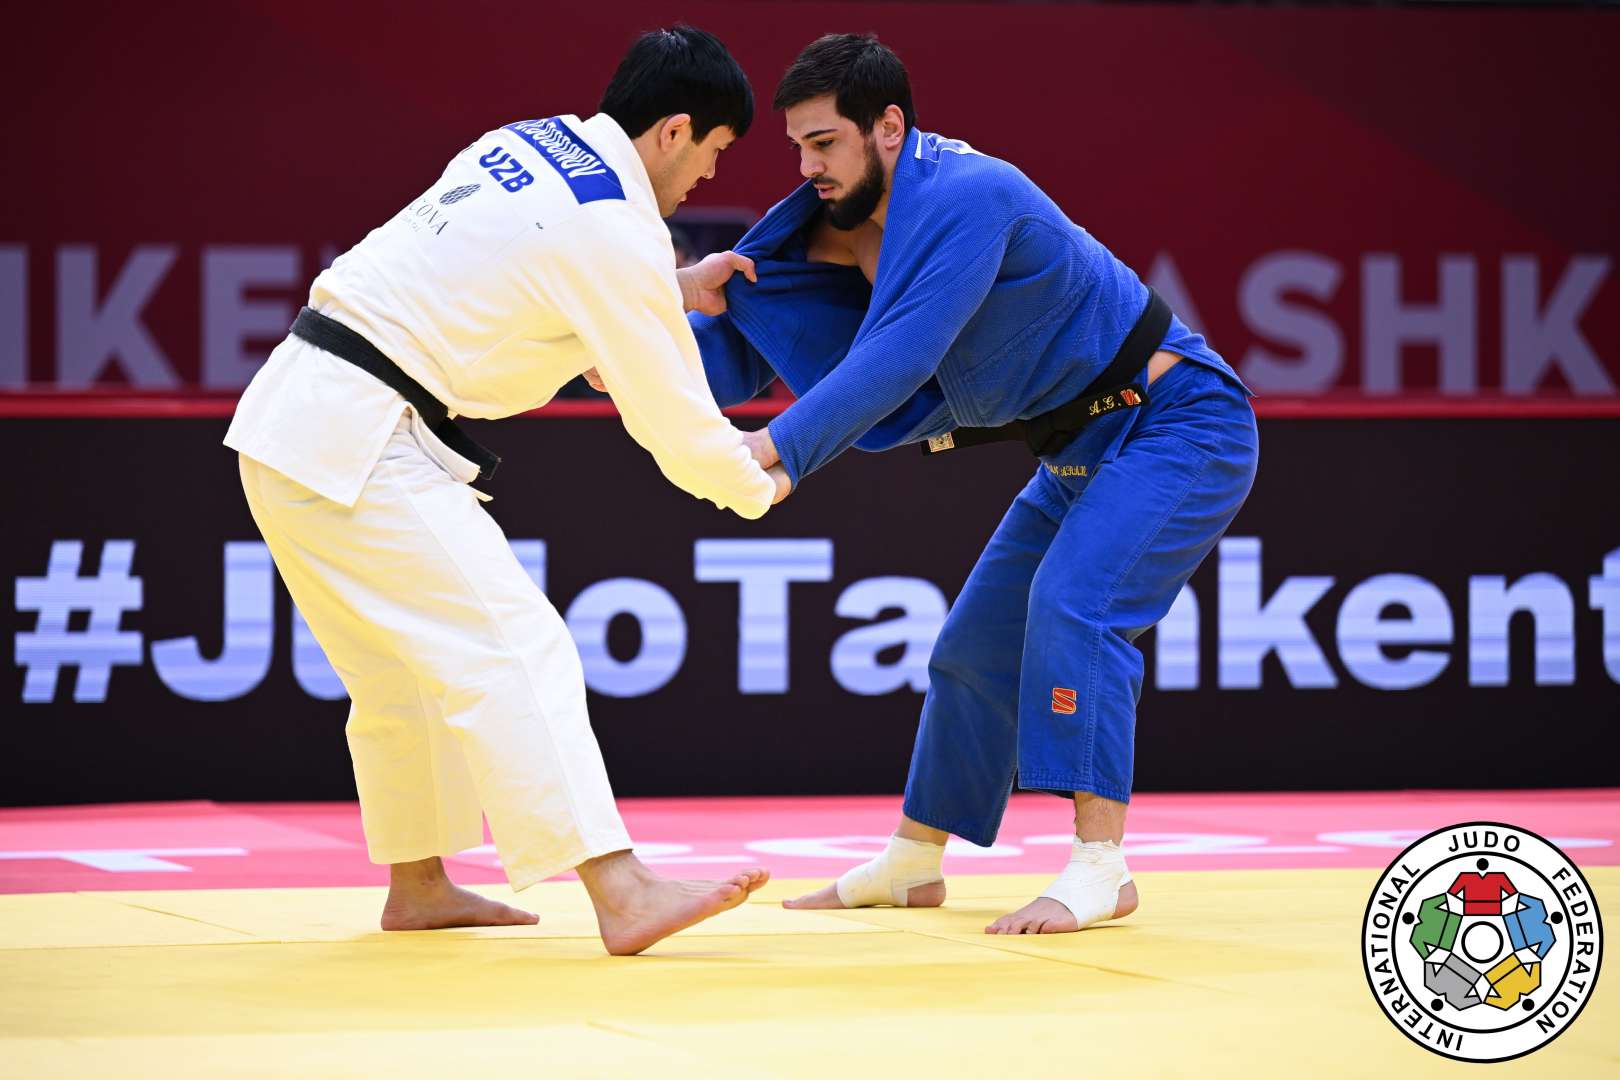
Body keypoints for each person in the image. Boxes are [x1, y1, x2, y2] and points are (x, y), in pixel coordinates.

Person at [224, 26, 789, 955]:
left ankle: (418, 885)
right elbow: (673, 419)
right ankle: (622, 890)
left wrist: (672, 287)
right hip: (362, 439)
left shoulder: (526, 142)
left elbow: (521, 273)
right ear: (674, 130)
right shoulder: (615, 230)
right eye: (715, 150)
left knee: (400, 675)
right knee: (518, 645)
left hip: (291, 420)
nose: (709, 176)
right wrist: (757, 479)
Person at [689, 34, 1259, 934]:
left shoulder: (970, 194)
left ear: (888, 127)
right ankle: (914, 862)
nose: (807, 167)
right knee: (973, 646)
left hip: (1178, 420)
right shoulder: (829, 222)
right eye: (796, 147)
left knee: (1076, 607)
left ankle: (1100, 865)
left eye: (825, 143)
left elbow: (902, 353)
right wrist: (625, 358)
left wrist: (778, 450)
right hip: (1075, 447)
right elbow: (744, 347)